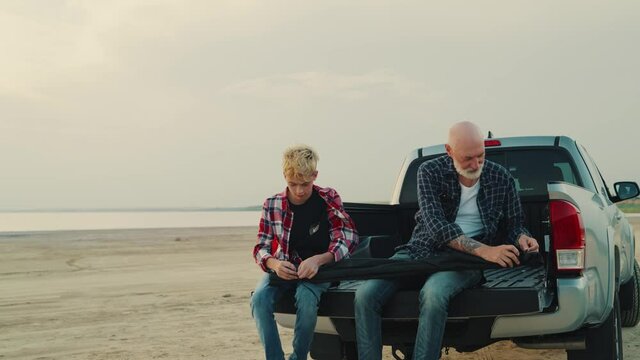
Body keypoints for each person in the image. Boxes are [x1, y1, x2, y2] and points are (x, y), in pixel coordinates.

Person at [354, 121, 539, 360]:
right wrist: (486, 251)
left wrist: (523, 237)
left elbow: (515, 224)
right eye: (467, 158)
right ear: (449, 151)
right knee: (365, 295)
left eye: (481, 156)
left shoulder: (501, 177)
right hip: (419, 250)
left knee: (433, 295)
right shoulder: (429, 171)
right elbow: (435, 225)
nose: (476, 164)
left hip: (465, 261)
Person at [251, 145, 359, 360]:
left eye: (305, 184)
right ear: (284, 177)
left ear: (315, 175)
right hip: (283, 268)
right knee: (259, 300)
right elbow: (261, 248)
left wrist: (320, 260)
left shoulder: (329, 197)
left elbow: (348, 237)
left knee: (306, 300)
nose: (299, 191)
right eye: (293, 184)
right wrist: (275, 265)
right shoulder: (272, 204)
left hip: (320, 271)